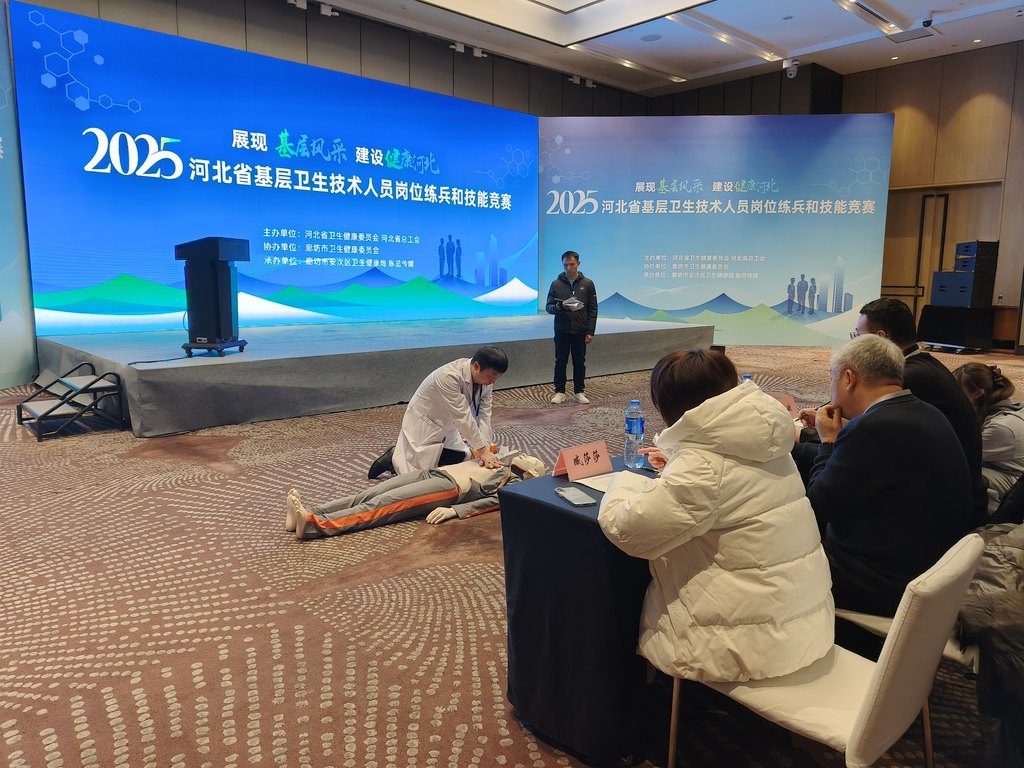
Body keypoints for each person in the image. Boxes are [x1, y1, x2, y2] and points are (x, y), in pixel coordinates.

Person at [598, 349, 834, 683]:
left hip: (746, 645)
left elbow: (629, 530)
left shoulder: (704, 466)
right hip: (802, 624)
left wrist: (624, 483)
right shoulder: (763, 438)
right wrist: (678, 463)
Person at [805, 334, 974, 617]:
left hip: (879, 585)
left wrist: (828, 441)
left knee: (777, 557)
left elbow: (819, 503)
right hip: (930, 569)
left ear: (848, 379)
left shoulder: (872, 428)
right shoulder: (927, 412)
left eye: (832, 378)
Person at [796, 298, 988, 525]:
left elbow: (821, 503)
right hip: (947, 512)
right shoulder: (921, 384)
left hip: (927, 523)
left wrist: (823, 440)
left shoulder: (907, 383)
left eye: (858, 336)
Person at [286, 454, 545, 539]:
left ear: (531, 474)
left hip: (448, 488)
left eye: (531, 460)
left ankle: (314, 525)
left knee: (381, 505)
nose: (525, 456)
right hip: (435, 472)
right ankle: (311, 512)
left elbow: (491, 502)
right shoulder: (500, 462)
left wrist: (455, 511)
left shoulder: (513, 484)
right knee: (371, 493)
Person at [367, 346, 507, 479]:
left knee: (459, 457)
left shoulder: (485, 382)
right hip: (425, 421)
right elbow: (463, 416)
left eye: (497, 378)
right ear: (476, 366)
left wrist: (486, 450)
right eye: (491, 376)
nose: (493, 382)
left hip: (449, 422)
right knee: (417, 476)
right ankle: (393, 458)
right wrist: (482, 451)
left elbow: (484, 416)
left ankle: (408, 458)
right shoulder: (448, 376)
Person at [953, 362, 1024, 515]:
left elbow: (960, 454)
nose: (952, 395)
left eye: (957, 390)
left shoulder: (1000, 428)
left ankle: (988, 518)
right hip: (1004, 469)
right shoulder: (993, 410)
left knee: (963, 474)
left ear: (978, 393)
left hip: (1016, 480)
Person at [545, 250, 598, 405]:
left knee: (579, 362)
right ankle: (559, 392)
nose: (568, 268)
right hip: (561, 330)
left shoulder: (587, 283)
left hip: (580, 330)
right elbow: (548, 307)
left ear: (578, 264)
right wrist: (559, 306)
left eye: (572, 264)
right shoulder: (556, 284)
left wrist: (590, 331)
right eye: (565, 265)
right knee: (560, 361)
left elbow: (593, 309)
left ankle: (579, 392)